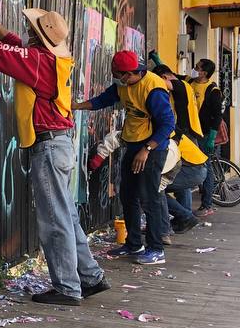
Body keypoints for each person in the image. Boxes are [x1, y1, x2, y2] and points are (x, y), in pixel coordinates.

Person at [0, 0, 110, 306]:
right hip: (61, 144)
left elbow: (0, 53)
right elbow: (13, 45)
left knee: (54, 219)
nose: (27, 31)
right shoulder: (53, 60)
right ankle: (91, 277)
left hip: (50, 147)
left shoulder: (39, 62)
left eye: (31, 29)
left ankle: (68, 287)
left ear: (38, 36)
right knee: (67, 215)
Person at [73, 51, 175, 265]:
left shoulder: (154, 89)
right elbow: (103, 100)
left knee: (150, 198)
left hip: (153, 148)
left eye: (119, 76)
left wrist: (147, 149)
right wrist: (76, 106)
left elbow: (167, 124)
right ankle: (134, 243)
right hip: (134, 143)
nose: (118, 80)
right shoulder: (124, 85)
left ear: (130, 73)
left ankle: (156, 249)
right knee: (128, 195)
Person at [151, 65, 209, 232]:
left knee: (157, 185)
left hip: (186, 133)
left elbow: (164, 82)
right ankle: (184, 217)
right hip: (189, 133)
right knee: (180, 180)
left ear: (164, 76)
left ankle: (184, 216)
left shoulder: (180, 85)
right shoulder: (187, 85)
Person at [189, 59, 223, 214]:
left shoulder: (213, 91)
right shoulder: (190, 81)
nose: (194, 69)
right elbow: (172, 77)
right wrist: (157, 60)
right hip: (190, 131)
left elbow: (217, 116)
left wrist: (212, 137)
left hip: (204, 134)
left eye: (197, 67)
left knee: (206, 167)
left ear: (204, 73)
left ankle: (207, 205)